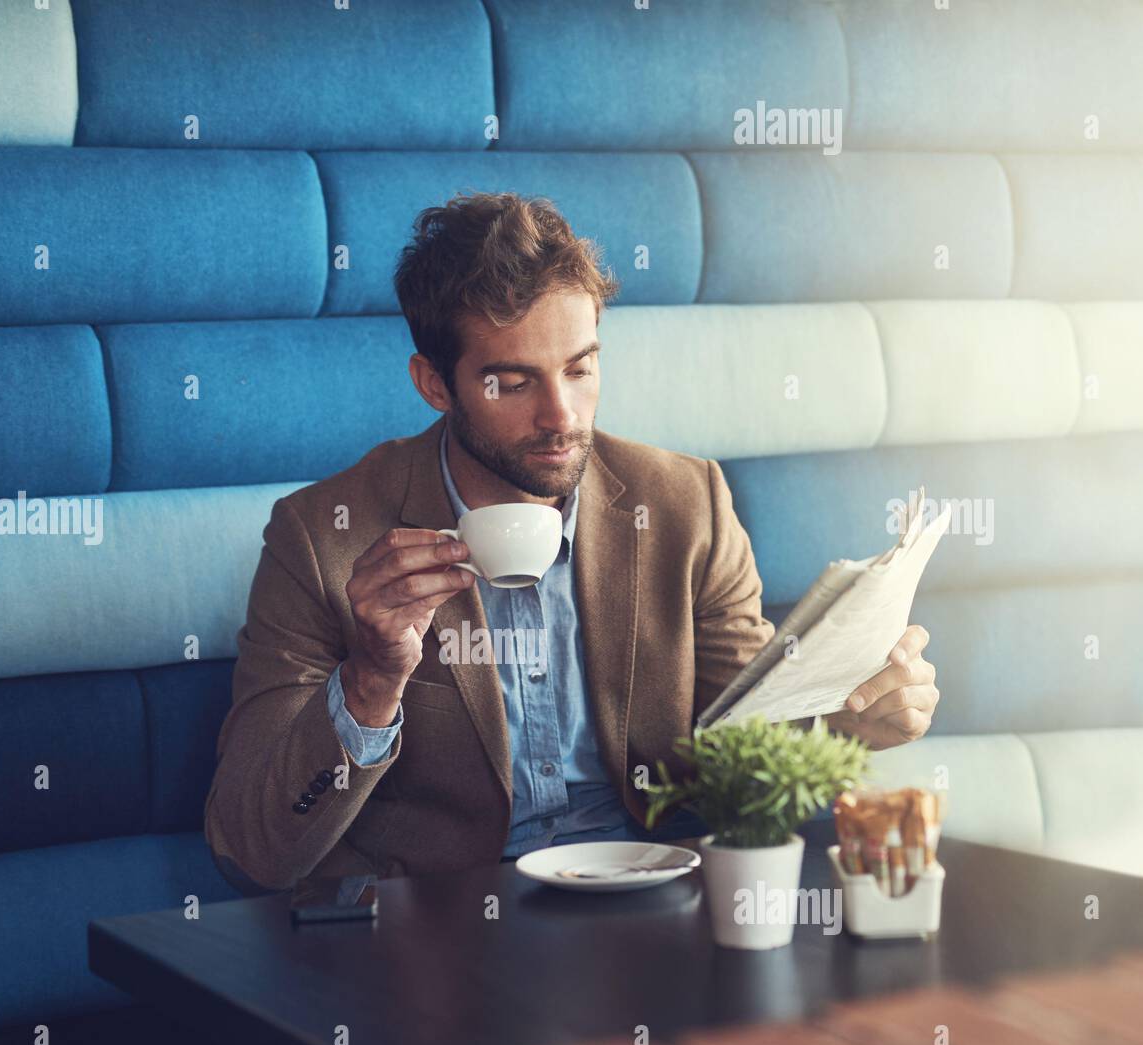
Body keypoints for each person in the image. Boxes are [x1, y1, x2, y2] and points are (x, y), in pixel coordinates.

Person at [205, 194, 939, 892]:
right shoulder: (321, 537)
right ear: (434, 383)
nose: (561, 416)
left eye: (580, 368)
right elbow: (252, 850)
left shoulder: (685, 507)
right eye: (513, 383)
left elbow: (740, 750)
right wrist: (370, 681)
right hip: (439, 933)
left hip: (652, 902)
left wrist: (847, 723)